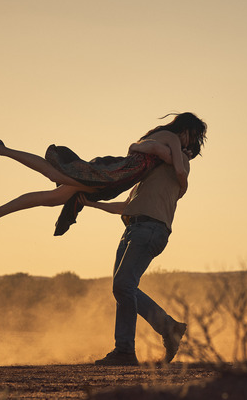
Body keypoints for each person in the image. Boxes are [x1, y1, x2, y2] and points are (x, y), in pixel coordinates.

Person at [81, 115, 207, 366]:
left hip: (150, 229)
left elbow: (160, 150)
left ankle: (132, 346)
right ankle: (155, 333)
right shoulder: (150, 177)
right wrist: (91, 204)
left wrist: (135, 146)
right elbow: (125, 206)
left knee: (124, 285)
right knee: (123, 288)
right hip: (134, 227)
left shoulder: (179, 159)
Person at [0, 113, 206, 237]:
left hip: (115, 177)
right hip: (113, 173)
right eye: (192, 137)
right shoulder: (173, 138)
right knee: (56, 175)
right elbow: (175, 167)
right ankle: (1, 149)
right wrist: (182, 184)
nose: (189, 144)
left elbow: (143, 147)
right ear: (186, 129)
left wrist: (139, 148)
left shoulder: (161, 137)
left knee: (52, 198)